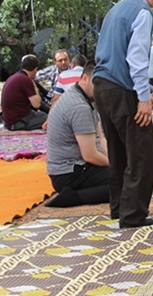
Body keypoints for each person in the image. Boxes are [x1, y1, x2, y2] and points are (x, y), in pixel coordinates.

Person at [92, 0, 153, 228]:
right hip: (123, 87)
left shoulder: (115, 10)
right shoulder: (141, 11)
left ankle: (118, 208)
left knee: (117, 152)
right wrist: (142, 97)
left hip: (102, 86)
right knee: (140, 154)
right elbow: (137, 59)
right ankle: (133, 215)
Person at [45, 61, 110, 207]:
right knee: (123, 184)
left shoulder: (86, 98)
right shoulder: (79, 106)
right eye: (98, 84)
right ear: (85, 78)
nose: (101, 90)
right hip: (68, 172)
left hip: (75, 165)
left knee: (126, 175)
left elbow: (101, 138)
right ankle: (73, 197)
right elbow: (90, 155)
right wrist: (117, 166)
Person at [1, 54, 49, 131]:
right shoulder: (25, 80)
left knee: (44, 115)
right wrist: (35, 89)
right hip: (18, 121)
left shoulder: (14, 77)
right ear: (35, 69)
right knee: (55, 119)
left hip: (10, 120)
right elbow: (37, 104)